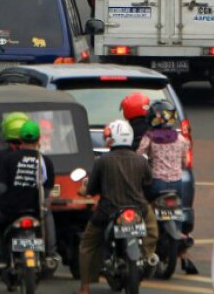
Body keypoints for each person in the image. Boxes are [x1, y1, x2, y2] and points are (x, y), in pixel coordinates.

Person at [0, 118, 56, 294]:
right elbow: (47, 189)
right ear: (39, 139)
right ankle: (51, 253)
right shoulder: (44, 160)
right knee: (47, 213)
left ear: (21, 138)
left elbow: (0, 188)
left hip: (9, 210)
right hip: (35, 210)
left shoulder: (8, 159)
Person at [76, 119, 157, 294]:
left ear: (113, 139)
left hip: (108, 211)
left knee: (87, 245)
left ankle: (84, 287)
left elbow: (91, 189)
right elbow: (148, 185)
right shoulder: (141, 161)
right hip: (138, 209)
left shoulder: (102, 161)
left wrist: (83, 191)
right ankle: (147, 256)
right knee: (152, 232)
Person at [137, 101, 197, 275]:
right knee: (177, 211)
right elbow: (185, 162)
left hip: (156, 184)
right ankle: (180, 245)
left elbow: (139, 158)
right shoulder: (181, 139)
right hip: (177, 185)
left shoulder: (149, 137)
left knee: (142, 207)